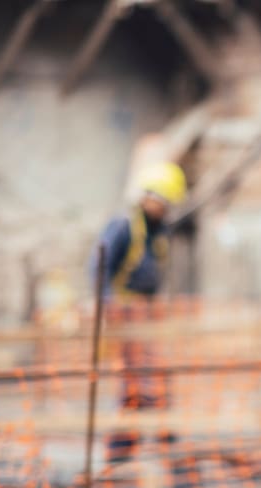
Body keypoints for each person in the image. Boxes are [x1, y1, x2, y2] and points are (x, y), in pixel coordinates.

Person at [89, 161, 187, 462]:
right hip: (125, 314)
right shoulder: (123, 227)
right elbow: (98, 268)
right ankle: (126, 446)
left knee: (152, 376)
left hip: (145, 314)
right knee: (135, 379)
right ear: (148, 197)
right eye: (163, 202)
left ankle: (157, 438)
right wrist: (109, 305)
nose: (166, 209)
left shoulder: (158, 232)